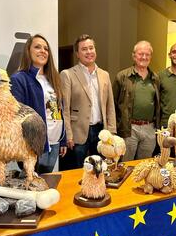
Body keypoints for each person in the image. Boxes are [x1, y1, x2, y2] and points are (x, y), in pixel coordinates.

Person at [11, 34, 66, 173]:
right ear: (28, 51)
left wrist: (63, 140)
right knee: (32, 185)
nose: (43, 51)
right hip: (34, 145)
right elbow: (17, 116)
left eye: (46, 48)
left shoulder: (54, 79)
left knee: (46, 181)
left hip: (54, 142)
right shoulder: (19, 79)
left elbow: (59, 110)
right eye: (37, 47)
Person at [60, 34, 116, 169]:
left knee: (100, 170)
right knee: (79, 171)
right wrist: (68, 135)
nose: (89, 52)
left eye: (91, 48)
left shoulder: (104, 74)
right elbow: (64, 108)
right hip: (78, 132)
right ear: (77, 54)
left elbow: (110, 106)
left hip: (100, 131)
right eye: (84, 49)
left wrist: (111, 132)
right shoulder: (68, 74)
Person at [113, 40, 160, 161]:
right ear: (134, 56)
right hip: (129, 128)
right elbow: (113, 104)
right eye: (140, 54)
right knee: (126, 165)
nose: (144, 57)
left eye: (147, 54)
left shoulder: (155, 78)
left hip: (149, 128)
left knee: (144, 166)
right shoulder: (122, 76)